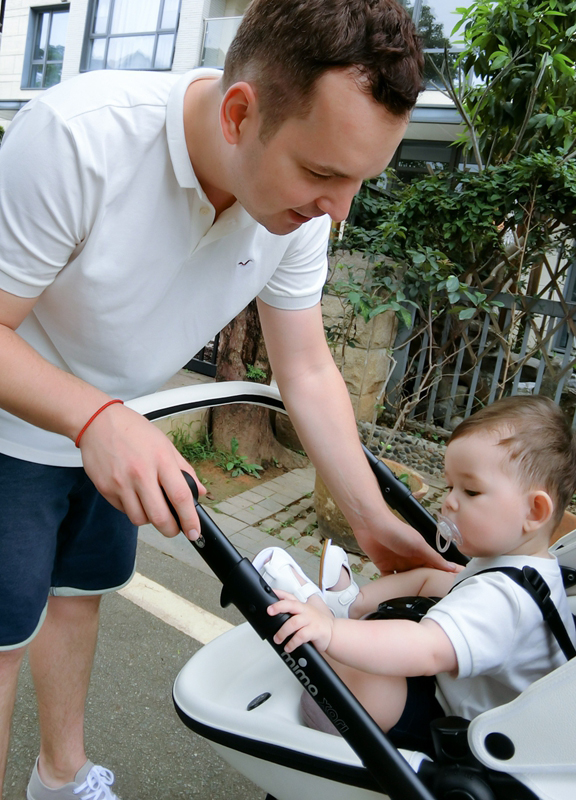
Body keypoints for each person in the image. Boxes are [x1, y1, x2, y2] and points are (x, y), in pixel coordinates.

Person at [0, 1, 461, 797]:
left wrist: (366, 512)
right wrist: (91, 416)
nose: (341, 209)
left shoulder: (303, 213)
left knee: (79, 597)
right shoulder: (77, 139)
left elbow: (306, 365)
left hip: (120, 426)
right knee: (3, 635)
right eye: (323, 174)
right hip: (17, 425)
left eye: (359, 180)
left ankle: (61, 776)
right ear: (240, 113)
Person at [258, 395, 576, 756]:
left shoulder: (504, 601)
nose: (449, 502)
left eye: (470, 490)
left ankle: (329, 622)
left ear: (534, 510)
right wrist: (363, 609)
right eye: (449, 487)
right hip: (458, 690)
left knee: (365, 679)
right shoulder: (522, 564)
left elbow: (426, 649)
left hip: (472, 736)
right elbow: (438, 583)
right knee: (433, 577)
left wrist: (333, 635)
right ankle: (349, 603)